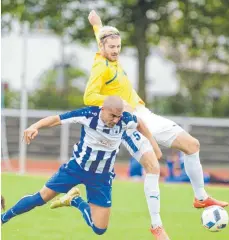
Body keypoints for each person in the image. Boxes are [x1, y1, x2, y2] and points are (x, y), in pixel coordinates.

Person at [84, 10, 228, 213]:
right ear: (102, 47)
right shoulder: (101, 67)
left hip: (145, 113)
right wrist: (119, 104)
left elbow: (101, 35)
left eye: (119, 46)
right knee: (153, 167)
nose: (116, 50)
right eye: (112, 47)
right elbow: (89, 97)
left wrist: (97, 23)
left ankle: (201, 197)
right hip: (132, 120)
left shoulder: (110, 53)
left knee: (192, 145)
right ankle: (156, 223)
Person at [1, 96, 169, 239]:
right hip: (76, 169)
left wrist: (154, 144)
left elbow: (140, 123)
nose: (116, 120)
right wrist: (34, 126)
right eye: (113, 115)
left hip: (101, 178)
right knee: (41, 197)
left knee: (100, 229)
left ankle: (75, 200)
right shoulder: (88, 115)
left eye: (118, 116)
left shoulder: (124, 119)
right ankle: (3, 218)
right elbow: (57, 119)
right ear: (102, 109)